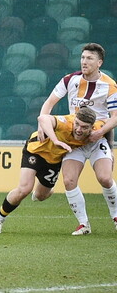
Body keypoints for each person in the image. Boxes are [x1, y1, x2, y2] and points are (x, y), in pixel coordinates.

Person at [36, 43, 117, 235]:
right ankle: (84, 224)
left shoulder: (110, 85)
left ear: (99, 62)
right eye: (82, 58)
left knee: (105, 178)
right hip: (74, 140)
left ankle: (115, 217)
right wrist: (41, 125)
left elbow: (115, 116)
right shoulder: (69, 80)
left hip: (97, 140)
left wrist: (100, 132)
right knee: (69, 180)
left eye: (89, 58)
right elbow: (49, 103)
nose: (84, 62)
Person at [0, 107, 100, 235]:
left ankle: (47, 189)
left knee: (41, 196)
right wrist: (55, 140)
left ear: (91, 127)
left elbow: (110, 122)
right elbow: (42, 118)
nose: (79, 129)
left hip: (54, 161)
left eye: (84, 127)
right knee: (24, 188)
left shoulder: (96, 131)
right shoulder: (66, 122)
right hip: (35, 151)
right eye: (77, 124)